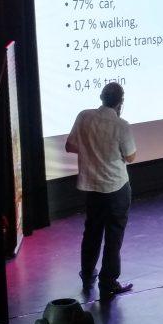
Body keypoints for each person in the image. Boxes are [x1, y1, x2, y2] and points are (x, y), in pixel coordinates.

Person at [65, 82, 137, 298]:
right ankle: (108, 281)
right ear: (120, 102)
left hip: (92, 186)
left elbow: (70, 146)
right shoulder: (121, 125)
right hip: (116, 187)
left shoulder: (84, 116)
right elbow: (131, 157)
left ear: (101, 97)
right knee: (114, 235)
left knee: (92, 231)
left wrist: (90, 150)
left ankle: (87, 274)